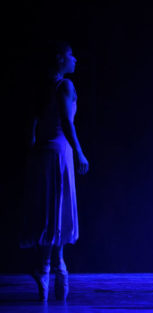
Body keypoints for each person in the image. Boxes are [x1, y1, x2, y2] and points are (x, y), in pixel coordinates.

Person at [20, 42, 89, 301]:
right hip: (60, 151)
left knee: (50, 210)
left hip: (44, 151)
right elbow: (66, 121)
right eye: (72, 55)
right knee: (58, 208)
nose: (75, 59)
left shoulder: (45, 87)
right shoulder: (65, 86)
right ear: (61, 59)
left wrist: (33, 142)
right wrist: (80, 152)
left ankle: (49, 266)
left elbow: (34, 121)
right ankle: (54, 265)